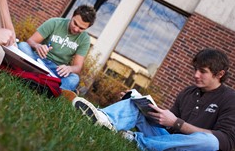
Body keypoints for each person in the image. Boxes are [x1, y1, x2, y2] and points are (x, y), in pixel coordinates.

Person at [72, 48, 235, 151]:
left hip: (192, 148)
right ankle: (103, 120)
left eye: (202, 71)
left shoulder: (229, 98)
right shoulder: (188, 92)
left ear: (219, 74)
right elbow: (168, 127)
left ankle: (137, 141)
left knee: (210, 142)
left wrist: (177, 123)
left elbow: (226, 142)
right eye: (195, 70)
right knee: (135, 103)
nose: (196, 75)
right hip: (167, 142)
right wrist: (144, 106)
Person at [18, 5, 96, 91]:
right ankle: (52, 85)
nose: (76, 29)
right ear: (72, 16)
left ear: (87, 28)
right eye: (75, 23)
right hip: (38, 60)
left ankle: (47, 86)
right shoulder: (54, 22)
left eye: (81, 28)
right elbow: (30, 41)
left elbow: (77, 66)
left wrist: (69, 68)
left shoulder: (85, 39)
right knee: (22, 46)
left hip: (56, 70)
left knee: (74, 78)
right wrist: (38, 46)